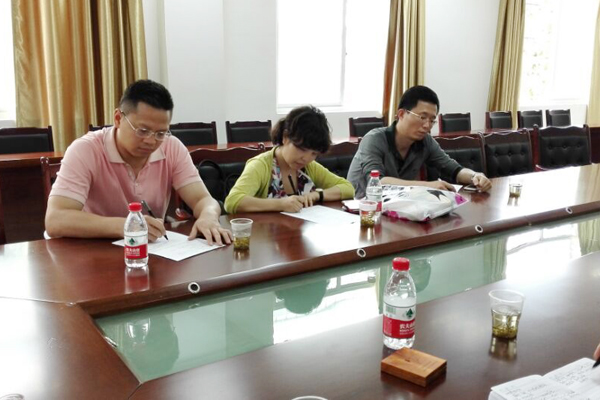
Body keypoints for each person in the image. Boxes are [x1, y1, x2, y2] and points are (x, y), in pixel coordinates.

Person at [45, 79, 232, 245]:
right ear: (118, 118)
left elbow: (203, 200)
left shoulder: (172, 147)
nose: (151, 141)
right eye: (142, 131)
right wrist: (128, 225)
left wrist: (208, 216)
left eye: (160, 133)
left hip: (150, 252)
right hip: (93, 252)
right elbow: (56, 219)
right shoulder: (85, 150)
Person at [346, 85, 492, 198]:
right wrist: (426, 186)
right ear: (401, 114)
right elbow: (377, 182)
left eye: (432, 120)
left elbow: (453, 169)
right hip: (361, 210)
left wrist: (474, 176)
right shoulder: (374, 139)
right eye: (422, 117)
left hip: (396, 208)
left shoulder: (425, 141)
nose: (427, 125)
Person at [224, 105, 355, 213]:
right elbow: (233, 201)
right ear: (285, 137)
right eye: (301, 149)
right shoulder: (261, 165)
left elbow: (348, 188)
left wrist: (317, 195)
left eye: (314, 153)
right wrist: (280, 204)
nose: (306, 158)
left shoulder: (309, 167)